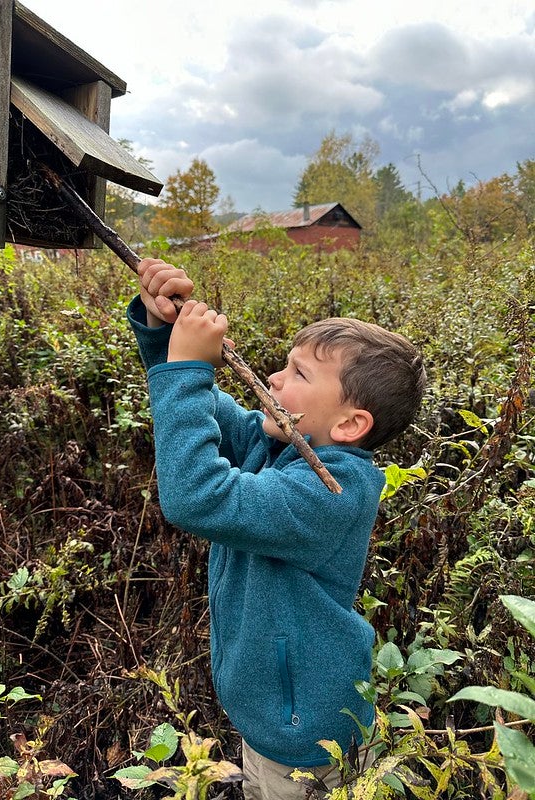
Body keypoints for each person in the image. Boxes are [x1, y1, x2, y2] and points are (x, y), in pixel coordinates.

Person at [127, 257, 426, 799]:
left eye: (298, 374)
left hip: (307, 741)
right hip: (272, 719)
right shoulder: (287, 450)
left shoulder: (329, 493)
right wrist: (165, 336)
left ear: (350, 424)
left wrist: (188, 369)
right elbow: (214, 415)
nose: (272, 378)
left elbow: (197, 495)